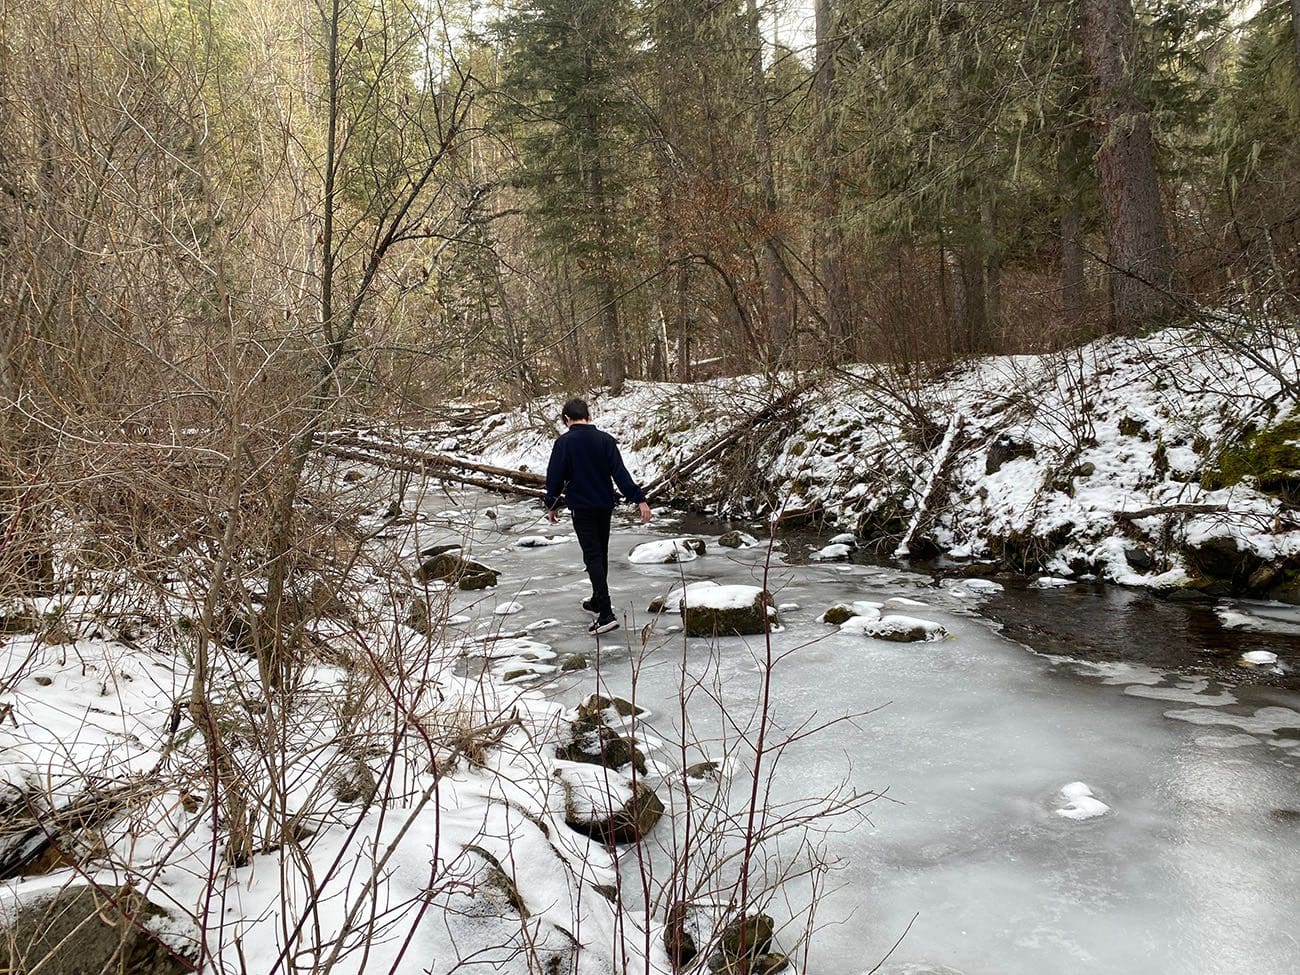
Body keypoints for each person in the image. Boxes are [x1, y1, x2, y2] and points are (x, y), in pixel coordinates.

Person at [544, 398, 653, 634]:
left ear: (566, 419)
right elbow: (620, 474)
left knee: (592, 556)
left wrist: (551, 504)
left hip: (581, 508)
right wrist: (639, 499)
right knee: (599, 553)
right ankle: (596, 599)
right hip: (604, 505)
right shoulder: (605, 440)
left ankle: (605, 614)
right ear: (589, 416)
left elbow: (555, 476)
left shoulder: (564, 443)